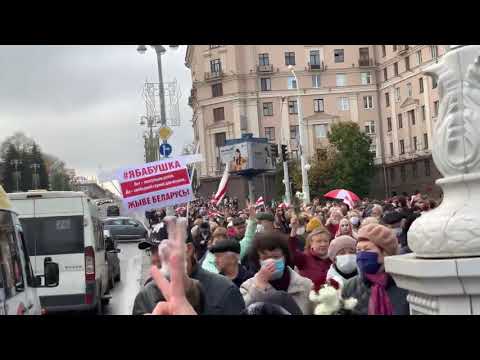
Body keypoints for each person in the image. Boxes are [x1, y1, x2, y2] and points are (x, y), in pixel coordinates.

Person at [133, 217, 246, 315]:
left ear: (188, 250)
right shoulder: (145, 296)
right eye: (152, 251)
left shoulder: (224, 291)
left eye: (163, 250)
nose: (154, 258)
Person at [341, 223, 409, 315]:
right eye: (358, 250)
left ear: (385, 253)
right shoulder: (350, 287)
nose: (361, 255)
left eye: (367, 249)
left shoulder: (404, 286)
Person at [240, 232, 314, 315]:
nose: (271, 262)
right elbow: (246, 309)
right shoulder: (247, 287)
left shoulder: (305, 285)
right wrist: (259, 287)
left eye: (276, 257)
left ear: (285, 257)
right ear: (258, 261)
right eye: (265, 258)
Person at [288, 219, 332, 292]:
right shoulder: (304, 258)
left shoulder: (333, 258)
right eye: (319, 241)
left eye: (325, 241)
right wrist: (293, 230)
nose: (323, 244)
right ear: (311, 243)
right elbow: (292, 252)